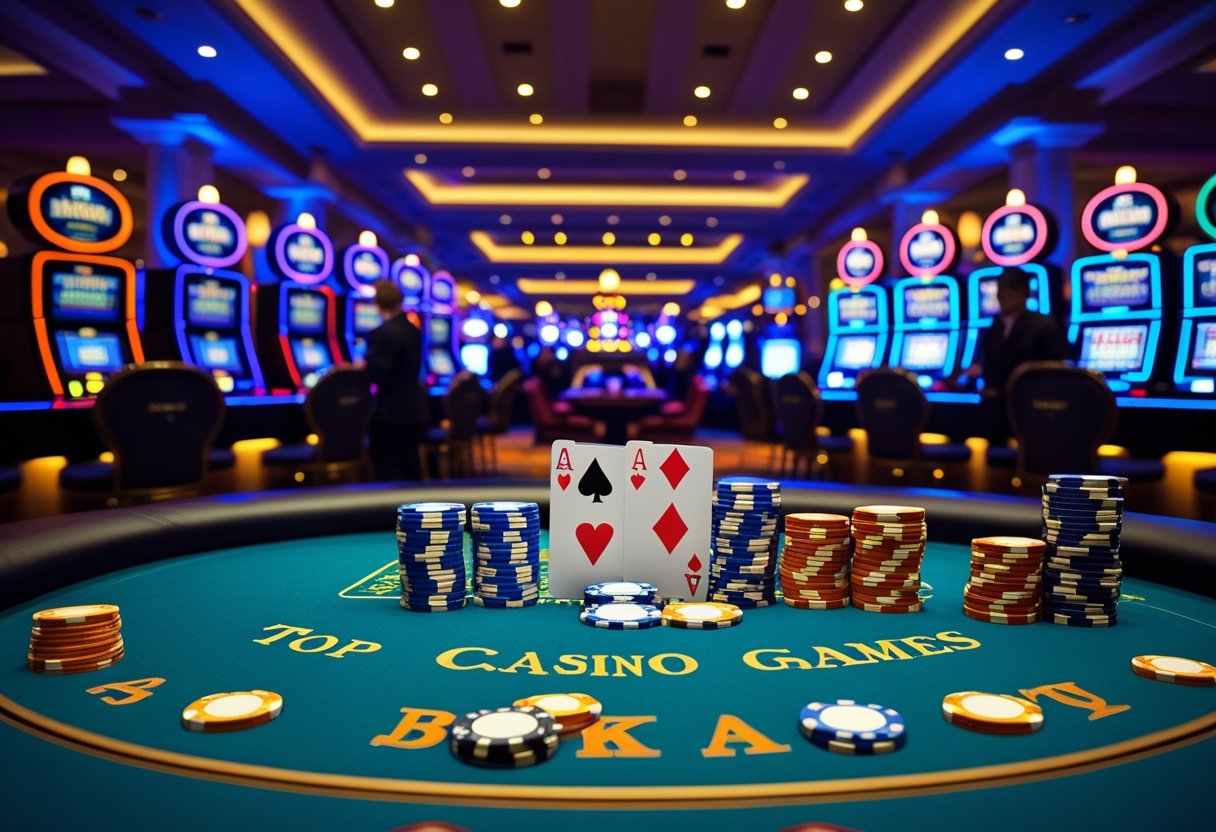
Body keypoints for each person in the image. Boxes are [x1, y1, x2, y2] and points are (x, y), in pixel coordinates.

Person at [952, 266, 1071, 439]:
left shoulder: (1045, 324)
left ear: (1024, 293)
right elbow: (984, 363)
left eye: (1008, 288)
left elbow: (1062, 367)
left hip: (1031, 408)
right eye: (1000, 289)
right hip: (993, 409)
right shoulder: (994, 325)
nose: (1002, 295)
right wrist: (969, 373)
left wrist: (1029, 371)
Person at [363, 279, 426, 480]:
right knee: (410, 467)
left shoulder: (384, 333)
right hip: (415, 408)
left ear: (378, 303)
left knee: (390, 470)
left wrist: (357, 369)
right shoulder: (413, 330)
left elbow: (377, 373)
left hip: (390, 412)